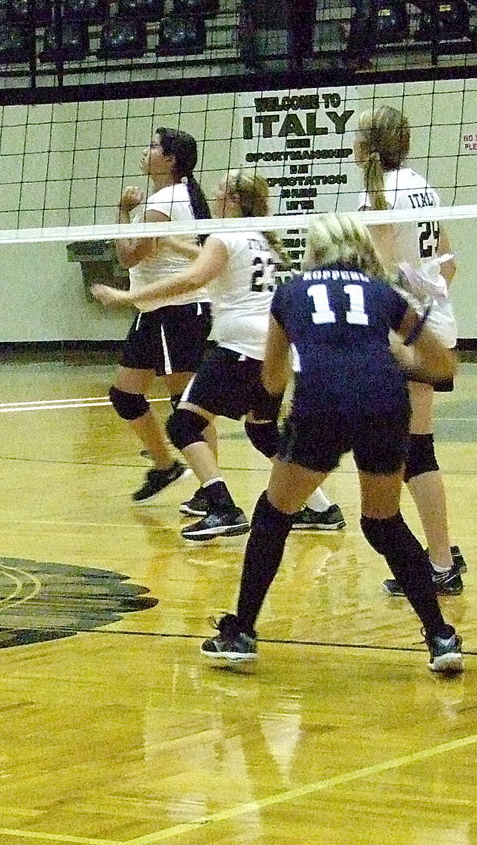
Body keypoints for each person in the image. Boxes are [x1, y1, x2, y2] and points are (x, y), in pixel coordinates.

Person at [201, 213, 463, 674]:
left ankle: (240, 632)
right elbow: (443, 366)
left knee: (274, 514)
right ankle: (441, 638)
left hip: (321, 400)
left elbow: (273, 376)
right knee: (382, 523)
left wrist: (269, 413)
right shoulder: (383, 293)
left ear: (315, 250)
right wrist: (398, 367)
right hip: (384, 401)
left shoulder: (290, 293)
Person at [92, 170, 344, 540]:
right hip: (274, 351)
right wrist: (177, 245)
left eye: (222, 188)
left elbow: (195, 278)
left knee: (183, 424)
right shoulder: (261, 238)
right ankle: (323, 509)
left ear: (235, 200)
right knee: (261, 432)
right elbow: (215, 263)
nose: (213, 191)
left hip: (240, 348)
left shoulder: (227, 235)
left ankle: (223, 506)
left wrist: (129, 297)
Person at [354, 105, 465, 595]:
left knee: (414, 452)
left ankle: (439, 562)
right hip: (429, 325)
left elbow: (371, 275)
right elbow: (449, 262)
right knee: (410, 449)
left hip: (405, 335)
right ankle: (435, 557)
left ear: (367, 146)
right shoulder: (423, 185)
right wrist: (425, 294)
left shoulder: (380, 197)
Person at [108, 127, 214, 504]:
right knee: (124, 394)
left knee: (187, 403)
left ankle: (210, 487)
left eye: (153, 146)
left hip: (177, 309)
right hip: (156, 311)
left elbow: (129, 256)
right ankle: (165, 465)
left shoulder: (167, 198)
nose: (145, 149)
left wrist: (122, 212)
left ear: (170, 160)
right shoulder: (179, 195)